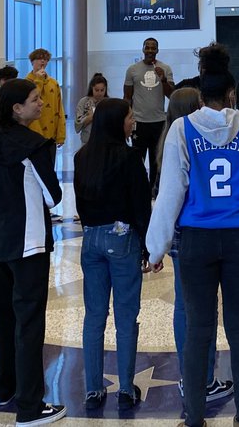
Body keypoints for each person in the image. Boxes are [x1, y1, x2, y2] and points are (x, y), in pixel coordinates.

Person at [146, 45, 239, 427]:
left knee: (198, 330)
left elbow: (171, 192)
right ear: (231, 94)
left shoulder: (181, 129)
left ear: (200, 94)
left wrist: (155, 247)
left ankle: (193, 417)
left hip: (197, 241)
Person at [0, 78, 65, 425]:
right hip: (28, 243)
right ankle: (30, 408)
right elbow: (53, 195)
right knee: (29, 324)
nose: (41, 104)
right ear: (16, 109)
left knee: (4, 318)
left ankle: (6, 391)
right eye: (34, 100)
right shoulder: (34, 146)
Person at [74, 98, 153, 412]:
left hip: (90, 239)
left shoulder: (82, 157)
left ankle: (93, 389)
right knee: (125, 317)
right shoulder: (130, 156)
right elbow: (140, 205)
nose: (133, 121)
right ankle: (125, 389)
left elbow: (79, 204)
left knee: (94, 317)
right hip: (122, 240)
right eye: (130, 117)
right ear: (116, 121)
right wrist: (147, 246)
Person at [161, 83, 234, 406]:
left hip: (179, 232)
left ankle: (189, 376)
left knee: (184, 305)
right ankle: (202, 379)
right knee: (203, 308)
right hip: (197, 230)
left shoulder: (169, 140)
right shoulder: (198, 141)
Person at [123, 37, 174, 190]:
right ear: (143, 49)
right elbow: (127, 97)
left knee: (156, 160)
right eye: (147, 47)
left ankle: (154, 190)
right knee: (137, 159)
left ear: (157, 50)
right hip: (139, 122)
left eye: (153, 48)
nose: (150, 51)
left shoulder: (165, 68)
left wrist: (163, 79)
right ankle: (139, 190)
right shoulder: (132, 70)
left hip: (159, 122)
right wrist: (125, 120)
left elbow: (172, 95)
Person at [74, 74, 108, 145]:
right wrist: (89, 118)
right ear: (92, 88)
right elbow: (78, 123)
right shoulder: (83, 102)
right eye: (96, 90)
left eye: (102, 90)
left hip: (104, 141)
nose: (99, 93)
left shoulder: (108, 103)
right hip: (87, 141)